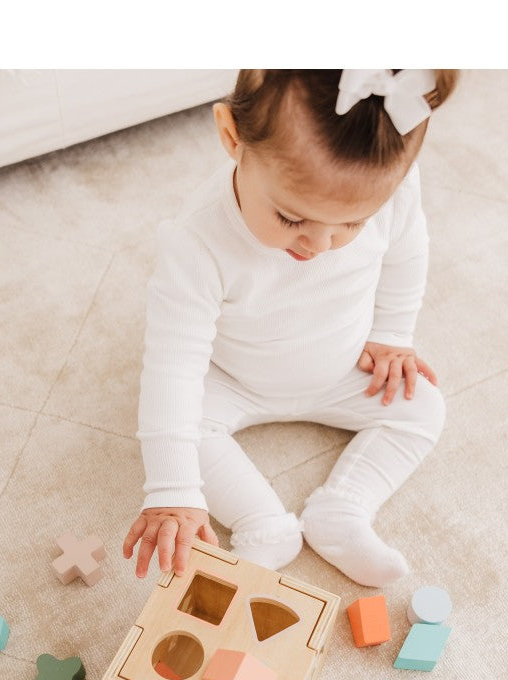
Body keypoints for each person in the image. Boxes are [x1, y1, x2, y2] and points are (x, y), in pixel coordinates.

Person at [123, 68, 459, 587]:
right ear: (232, 137)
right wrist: (173, 491)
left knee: (424, 406)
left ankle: (343, 511)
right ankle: (262, 525)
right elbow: (172, 365)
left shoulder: (392, 191)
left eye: (351, 224)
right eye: (291, 218)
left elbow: (407, 252)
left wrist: (393, 334)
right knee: (177, 427)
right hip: (233, 378)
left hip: (345, 366)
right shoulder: (197, 242)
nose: (320, 245)